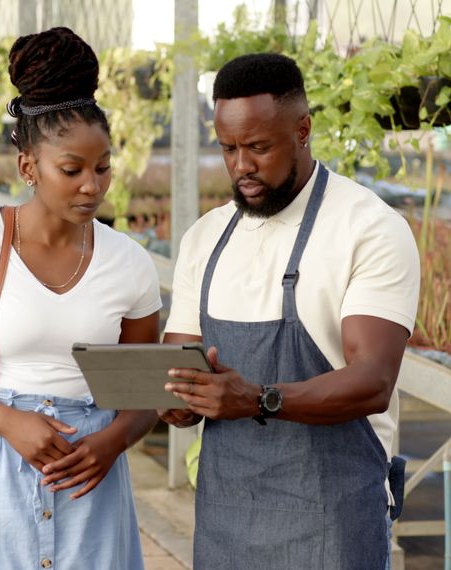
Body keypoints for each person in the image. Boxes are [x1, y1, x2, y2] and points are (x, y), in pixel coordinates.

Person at [0, 27, 160, 570]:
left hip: (90, 478)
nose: (92, 185)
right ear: (28, 168)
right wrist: (6, 421)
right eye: (72, 170)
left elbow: (142, 394)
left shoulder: (129, 263)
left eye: (103, 166)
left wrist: (112, 443)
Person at [160, 53, 420, 569]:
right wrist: (176, 401)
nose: (241, 167)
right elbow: (177, 367)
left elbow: (372, 381)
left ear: (303, 130)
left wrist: (256, 398)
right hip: (226, 520)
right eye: (228, 148)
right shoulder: (205, 239)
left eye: (258, 147)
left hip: (332, 521)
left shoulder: (367, 228)